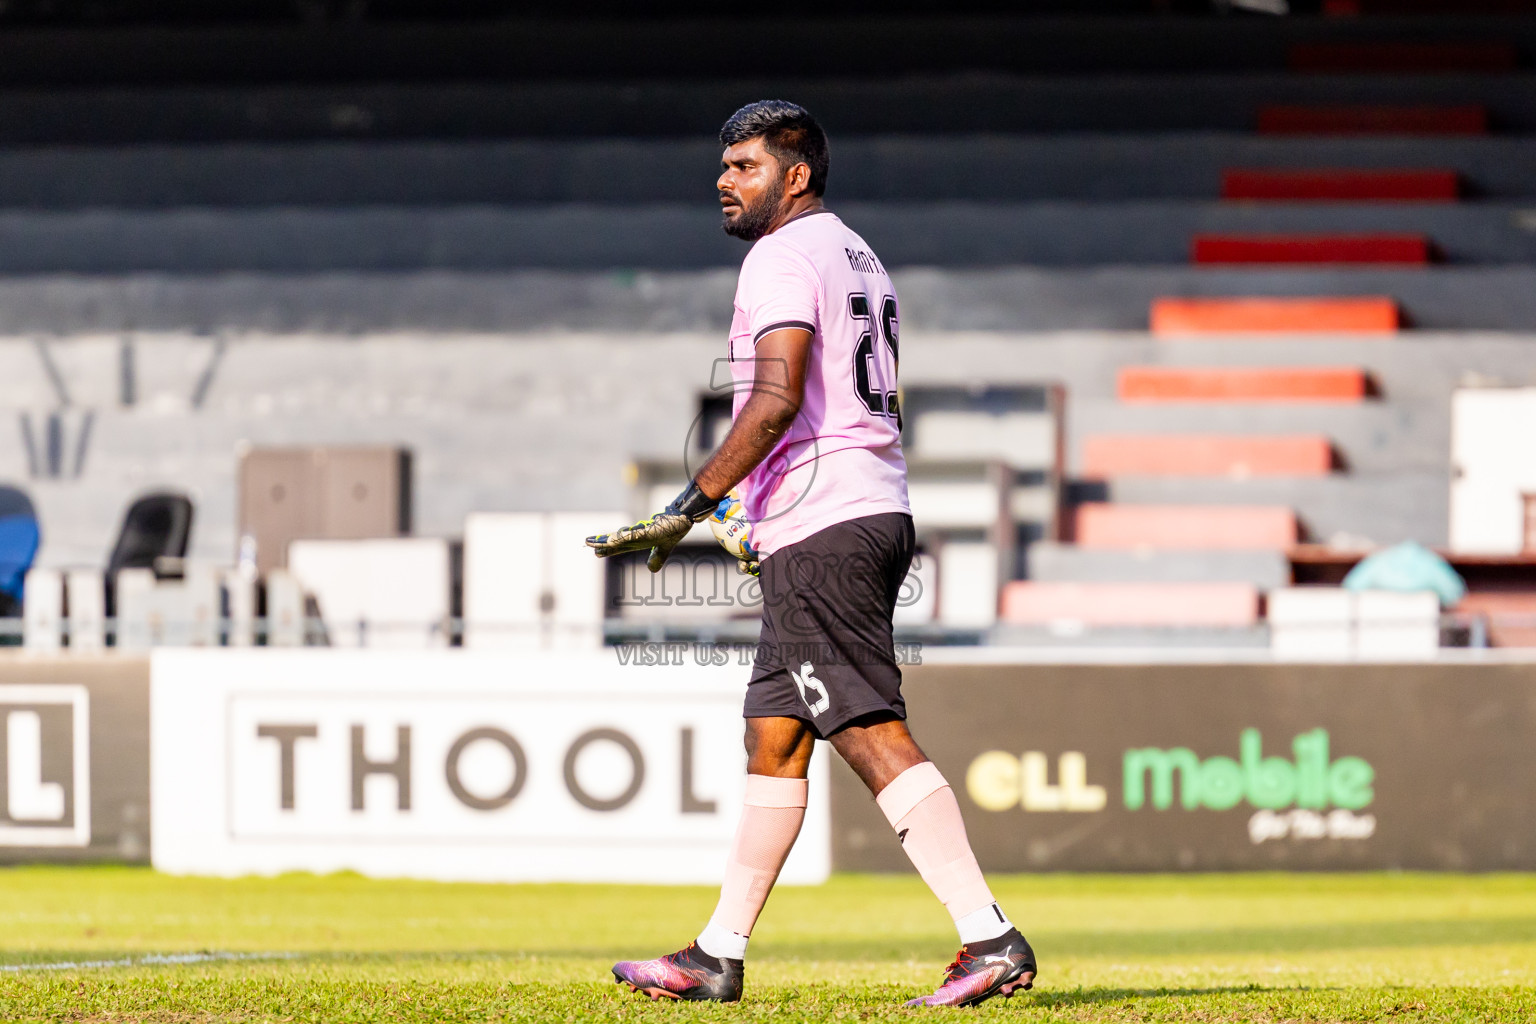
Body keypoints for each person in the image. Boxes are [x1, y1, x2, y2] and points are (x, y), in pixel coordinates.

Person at [586, 99, 1035, 1008]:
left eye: (744, 165)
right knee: (776, 736)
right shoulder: (857, 253)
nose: (724, 179)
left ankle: (990, 937)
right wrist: (765, 508)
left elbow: (779, 397)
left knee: (865, 726)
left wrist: (689, 506)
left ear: (795, 176)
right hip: (849, 510)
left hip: (832, 523)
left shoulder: (782, 255)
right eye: (723, 164)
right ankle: (717, 953)